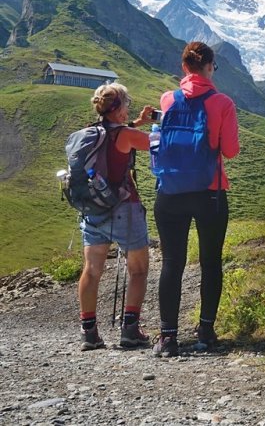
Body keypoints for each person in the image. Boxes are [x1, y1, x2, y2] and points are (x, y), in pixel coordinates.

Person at [153, 41, 240, 357]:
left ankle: (168, 337)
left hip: (170, 192)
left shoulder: (167, 99)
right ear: (209, 67)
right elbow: (230, 151)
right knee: (210, 262)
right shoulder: (222, 103)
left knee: (171, 263)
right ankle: (205, 331)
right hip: (209, 193)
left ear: (184, 68)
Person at [79, 83, 156, 351]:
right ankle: (130, 330)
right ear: (118, 107)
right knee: (139, 270)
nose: (129, 108)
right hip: (125, 209)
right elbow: (157, 144)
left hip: (92, 210)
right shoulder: (126, 135)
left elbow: (114, 138)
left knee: (92, 270)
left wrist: (137, 123)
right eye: (127, 103)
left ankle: (89, 333)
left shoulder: (91, 133)